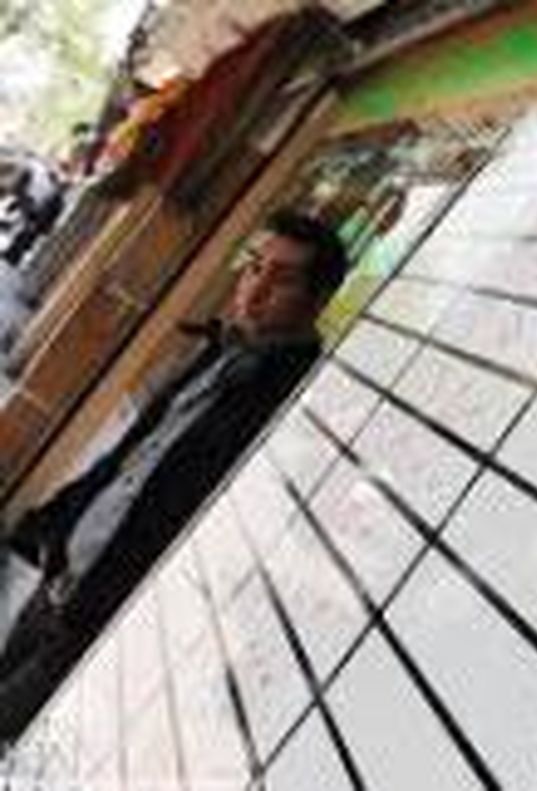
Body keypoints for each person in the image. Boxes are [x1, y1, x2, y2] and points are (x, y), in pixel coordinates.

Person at [0, 208, 349, 740]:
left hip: (108, 613)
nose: (254, 288)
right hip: (65, 573)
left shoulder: (292, 400)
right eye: (254, 266)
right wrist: (56, 521)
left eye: (281, 279)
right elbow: (133, 457)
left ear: (318, 299)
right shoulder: (220, 349)